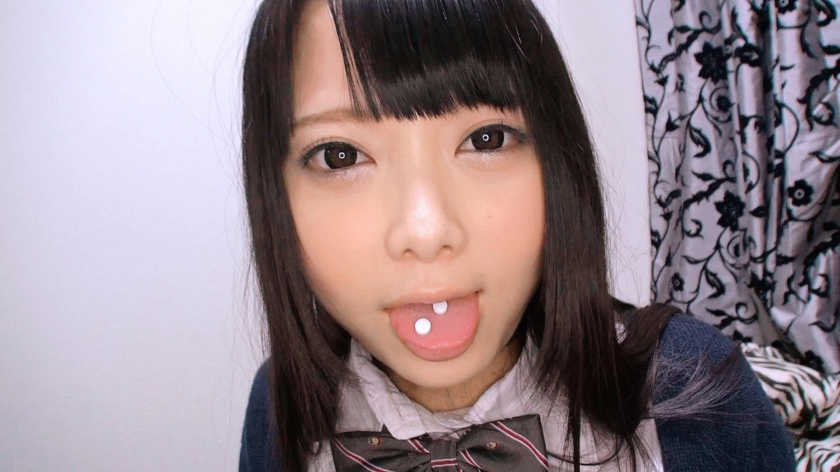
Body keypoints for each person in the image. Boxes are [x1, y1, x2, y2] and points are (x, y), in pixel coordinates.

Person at [238, 0, 795, 470]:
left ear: (557, 160)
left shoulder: (694, 391)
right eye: (340, 156)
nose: (427, 232)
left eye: (486, 139)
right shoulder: (282, 406)